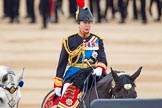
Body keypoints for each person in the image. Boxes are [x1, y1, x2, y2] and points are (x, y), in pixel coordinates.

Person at [53, 6, 108, 107]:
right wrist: (58, 82)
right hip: (74, 75)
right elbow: (62, 63)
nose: (87, 26)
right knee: (66, 96)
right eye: (84, 23)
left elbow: (102, 58)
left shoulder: (97, 40)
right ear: (79, 23)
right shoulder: (69, 40)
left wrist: (100, 67)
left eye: (89, 23)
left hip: (92, 74)